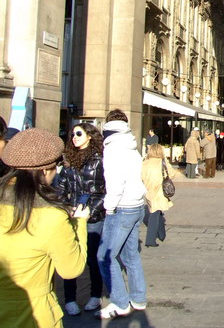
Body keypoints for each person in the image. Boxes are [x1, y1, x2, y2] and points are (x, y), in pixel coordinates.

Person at [0, 128, 89, 327]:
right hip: (34, 314)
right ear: (45, 170)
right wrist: (80, 223)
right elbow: (71, 269)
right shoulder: (51, 216)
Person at [96, 109, 147, 319]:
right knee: (130, 255)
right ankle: (138, 297)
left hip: (122, 206)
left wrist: (109, 206)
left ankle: (119, 302)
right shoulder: (131, 144)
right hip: (137, 205)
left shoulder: (113, 147)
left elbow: (115, 181)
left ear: (106, 126)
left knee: (105, 256)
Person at [55, 123, 106, 316]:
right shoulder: (68, 160)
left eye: (79, 133)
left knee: (92, 258)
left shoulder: (99, 160)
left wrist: (90, 212)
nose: (74, 137)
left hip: (92, 218)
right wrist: (66, 207)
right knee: (70, 256)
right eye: (73, 134)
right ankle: (70, 299)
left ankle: (95, 295)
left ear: (90, 136)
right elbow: (61, 187)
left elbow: (103, 192)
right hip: (71, 215)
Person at [141, 144, 174, 247]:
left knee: (157, 210)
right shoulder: (163, 162)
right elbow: (172, 174)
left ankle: (161, 234)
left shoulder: (144, 163)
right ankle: (150, 240)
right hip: (159, 191)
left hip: (149, 190)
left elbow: (140, 177)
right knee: (154, 213)